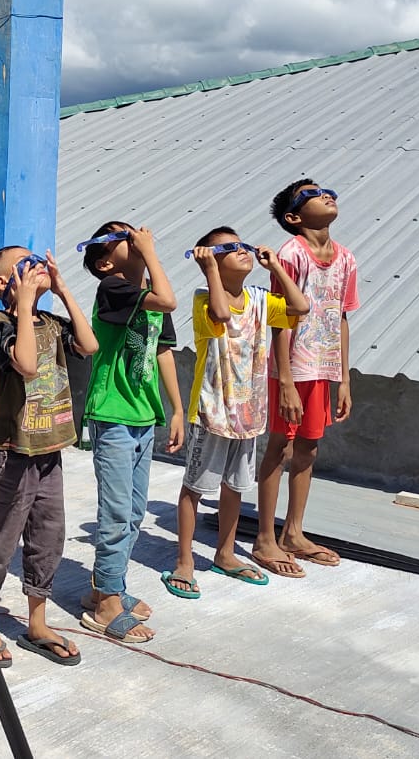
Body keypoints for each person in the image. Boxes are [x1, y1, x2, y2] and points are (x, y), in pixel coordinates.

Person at [163, 227, 309, 599]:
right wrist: (209, 271)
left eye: (243, 245)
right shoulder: (202, 299)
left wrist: (276, 266)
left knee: (234, 487)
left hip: (248, 412)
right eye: (229, 249)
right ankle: (184, 560)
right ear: (210, 259)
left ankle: (225, 554)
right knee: (195, 487)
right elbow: (222, 314)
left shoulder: (261, 299)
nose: (242, 250)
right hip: (212, 411)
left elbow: (299, 307)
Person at [0, 245, 98, 667]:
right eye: (28, 265)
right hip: (12, 452)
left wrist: (61, 289)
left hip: (49, 451)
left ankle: (37, 621)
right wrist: (24, 305)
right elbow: (25, 363)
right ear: (4, 283)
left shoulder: (50, 322)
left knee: (48, 537)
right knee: (2, 538)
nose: (39, 267)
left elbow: (89, 344)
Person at [78, 221, 183, 644]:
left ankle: (107, 586)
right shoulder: (113, 289)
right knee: (117, 513)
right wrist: (150, 254)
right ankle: (105, 604)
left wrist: (176, 410)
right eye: (122, 236)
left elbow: (162, 352)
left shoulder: (146, 294)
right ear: (105, 261)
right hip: (113, 415)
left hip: (143, 417)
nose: (135, 237)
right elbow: (168, 300)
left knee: (134, 512)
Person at [253, 179, 360, 579]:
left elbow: (341, 316)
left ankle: (293, 532)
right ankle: (265, 538)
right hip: (293, 367)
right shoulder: (290, 254)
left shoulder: (346, 258)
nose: (327, 195)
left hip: (324, 368)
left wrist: (344, 379)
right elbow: (281, 319)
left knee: (309, 448)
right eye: (312, 194)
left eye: (328, 190)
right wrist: (283, 380)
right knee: (281, 446)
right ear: (293, 218)